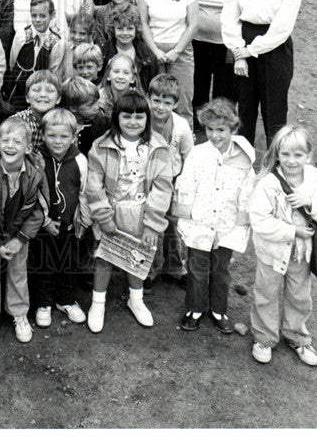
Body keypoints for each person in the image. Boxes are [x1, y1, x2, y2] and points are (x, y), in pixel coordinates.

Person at [248, 125, 317, 367]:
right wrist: (292, 231)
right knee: (266, 294)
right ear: (277, 154)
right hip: (272, 251)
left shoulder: (316, 179)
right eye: (285, 154)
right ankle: (264, 338)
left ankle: (297, 336)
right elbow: (258, 220)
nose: (291, 160)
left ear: (308, 155)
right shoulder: (269, 183)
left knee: (299, 296)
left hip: (301, 253)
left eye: (298, 155)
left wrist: (310, 201)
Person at [85, 90, 173, 332]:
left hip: (142, 212)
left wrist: (152, 223)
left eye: (139, 117)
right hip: (112, 211)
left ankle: (137, 299)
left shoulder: (158, 147)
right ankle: (98, 303)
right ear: (117, 118)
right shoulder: (101, 146)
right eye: (127, 117)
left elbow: (163, 187)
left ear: (147, 119)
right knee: (104, 257)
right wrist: (104, 217)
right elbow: (94, 185)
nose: (133, 122)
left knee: (138, 257)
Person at [175, 98, 255, 334]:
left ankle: (219, 309)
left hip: (227, 224)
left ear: (233, 129)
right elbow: (186, 183)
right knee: (197, 268)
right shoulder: (198, 154)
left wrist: (239, 222)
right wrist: (189, 213)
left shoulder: (244, 158)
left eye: (221, 130)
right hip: (199, 221)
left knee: (220, 270)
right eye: (210, 129)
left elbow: (246, 190)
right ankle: (195, 308)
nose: (215, 135)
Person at [221, 0, 303, 147]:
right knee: (245, 104)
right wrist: (239, 53)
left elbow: (282, 27)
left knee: (274, 106)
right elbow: (229, 15)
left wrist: (249, 51)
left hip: (275, 47)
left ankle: (276, 159)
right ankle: (243, 157)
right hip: (242, 39)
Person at [0, 117, 46, 345]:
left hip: (19, 232)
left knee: (18, 271)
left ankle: (18, 312)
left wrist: (21, 238)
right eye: (6, 140)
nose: (10, 146)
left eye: (17, 141)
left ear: (28, 147)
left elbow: (39, 209)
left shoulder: (35, 173)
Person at [30, 108, 89, 328]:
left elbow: (84, 191)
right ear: (43, 135)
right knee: (43, 264)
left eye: (64, 136)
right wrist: (44, 221)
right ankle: (43, 303)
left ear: (74, 137)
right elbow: (31, 193)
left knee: (69, 264)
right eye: (52, 136)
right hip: (42, 226)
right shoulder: (36, 159)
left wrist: (82, 219)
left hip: (69, 225)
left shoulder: (80, 160)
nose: (57, 141)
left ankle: (66, 300)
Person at [137, 0, 199, 124]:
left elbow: (193, 25)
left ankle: (183, 141)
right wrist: (156, 51)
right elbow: (143, 24)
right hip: (153, 50)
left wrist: (176, 51)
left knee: (183, 99)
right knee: (153, 99)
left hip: (180, 51)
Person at [146, 73, 193, 285]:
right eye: (156, 101)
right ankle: (149, 269)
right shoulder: (142, 119)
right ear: (148, 98)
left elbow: (188, 156)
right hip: (148, 180)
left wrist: (183, 184)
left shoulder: (181, 126)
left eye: (167, 103)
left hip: (173, 180)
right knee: (150, 223)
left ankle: (175, 266)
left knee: (173, 225)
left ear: (175, 104)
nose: (160, 107)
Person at [190, 0, 241, 114]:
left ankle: (221, 118)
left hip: (225, 40)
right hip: (198, 38)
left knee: (224, 82)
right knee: (199, 79)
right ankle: (198, 118)